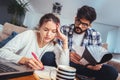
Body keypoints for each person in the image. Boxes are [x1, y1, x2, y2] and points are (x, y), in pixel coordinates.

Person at [58, 5, 118, 80]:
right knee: (50, 57)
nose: (79, 26)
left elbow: (99, 57)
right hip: (67, 63)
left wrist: (98, 64)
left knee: (111, 71)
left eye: (84, 24)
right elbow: (58, 49)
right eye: (78, 21)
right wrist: (68, 54)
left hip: (87, 67)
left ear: (89, 25)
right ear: (75, 18)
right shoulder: (64, 29)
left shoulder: (95, 35)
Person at [0, 13, 69, 70]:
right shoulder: (29, 34)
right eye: (45, 30)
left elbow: (64, 67)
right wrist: (24, 60)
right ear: (39, 28)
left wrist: (65, 41)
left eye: (53, 31)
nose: (49, 34)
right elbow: (2, 52)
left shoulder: (53, 45)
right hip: (11, 69)